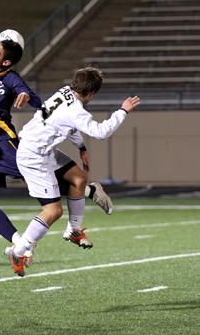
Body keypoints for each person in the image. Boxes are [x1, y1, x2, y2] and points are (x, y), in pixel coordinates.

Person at [0, 31, 113, 265]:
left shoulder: (11, 78)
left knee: (40, 183)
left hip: (4, 143)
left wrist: (23, 94)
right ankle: (19, 241)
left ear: (7, 61)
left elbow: (32, 97)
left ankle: (85, 192)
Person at [9, 66, 140, 276]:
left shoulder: (64, 91)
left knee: (79, 178)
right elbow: (101, 132)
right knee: (53, 211)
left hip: (40, 148)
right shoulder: (76, 110)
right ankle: (20, 250)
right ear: (93, 93)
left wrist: (81, 147)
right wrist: (122, 111)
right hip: (33, 157)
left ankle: (74, 231)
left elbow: (65, 124)